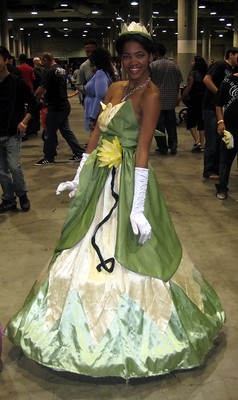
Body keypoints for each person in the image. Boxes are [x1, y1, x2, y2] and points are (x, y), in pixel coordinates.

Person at [5, 23, 225, 379]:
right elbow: (96, 131)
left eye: (139, 55)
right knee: (78, 245)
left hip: (129, 179)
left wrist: (136, 208)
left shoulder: (150, 95)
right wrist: (79, 175)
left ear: (151, 56)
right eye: (126, 56)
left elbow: (141, 152)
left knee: (138, 253)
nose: (133, 62)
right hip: (100, 178)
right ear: (120, 60)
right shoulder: (116, 86)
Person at [0, 46, 37, 214]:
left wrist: (24, 122)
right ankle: (8, 199)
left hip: (12, 134)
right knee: (1, 171)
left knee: (14, 167)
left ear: (6, 60)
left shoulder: (17, 83)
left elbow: (34, 106)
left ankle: (22, 195)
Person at [34, 52, 84, 165]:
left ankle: (49, 157)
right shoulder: (61, 70)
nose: (42, 64)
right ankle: (79, 152)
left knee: (49, 132)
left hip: (56, 107)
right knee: (66, 131)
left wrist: (35, 98)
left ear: (46, 60)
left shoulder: (49, 72)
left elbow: (41, 89)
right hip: (63, 105)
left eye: (42, 62)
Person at [202, 47, 238, 179]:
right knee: (212, 140)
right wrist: (219, 94)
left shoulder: (234, 70)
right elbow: (206, 79)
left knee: (221, 141)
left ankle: (217, 169)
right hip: (211, 107)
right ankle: (209, 170)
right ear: (231, 55)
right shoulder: (220, 65)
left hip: (223, 110)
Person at [150, 43, 183, 155]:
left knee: (159, 127)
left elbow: (149, 84)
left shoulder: (153, 66)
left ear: (156, 53)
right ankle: (173, 146)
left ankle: (162, 147)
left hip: (157, 102)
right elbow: (179, 83)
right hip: (170, 101)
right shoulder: (174, 65)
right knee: (171, 125)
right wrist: (176, 96)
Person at [214, 72, 238, 199]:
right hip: (230, 129)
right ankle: (222, 188)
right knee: (226, 160)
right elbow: (218, 103)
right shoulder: (228, 81)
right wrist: (221, 122)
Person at [178, 56, 208, 152]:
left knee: (191, 120)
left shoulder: (193, 72)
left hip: (194, 99)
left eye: (192, 61)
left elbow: (189, 87)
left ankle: (197, 141)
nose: (191, 62)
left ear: (196, 63)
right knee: (201, 121)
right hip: (203, 100)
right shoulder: (206, 72)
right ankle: (202, 143)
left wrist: (180, 98)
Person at [84, 47, 117, 132]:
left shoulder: (100, 73)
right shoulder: (107, 72)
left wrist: (93, 117)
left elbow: (100, 97)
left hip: (98, 112)